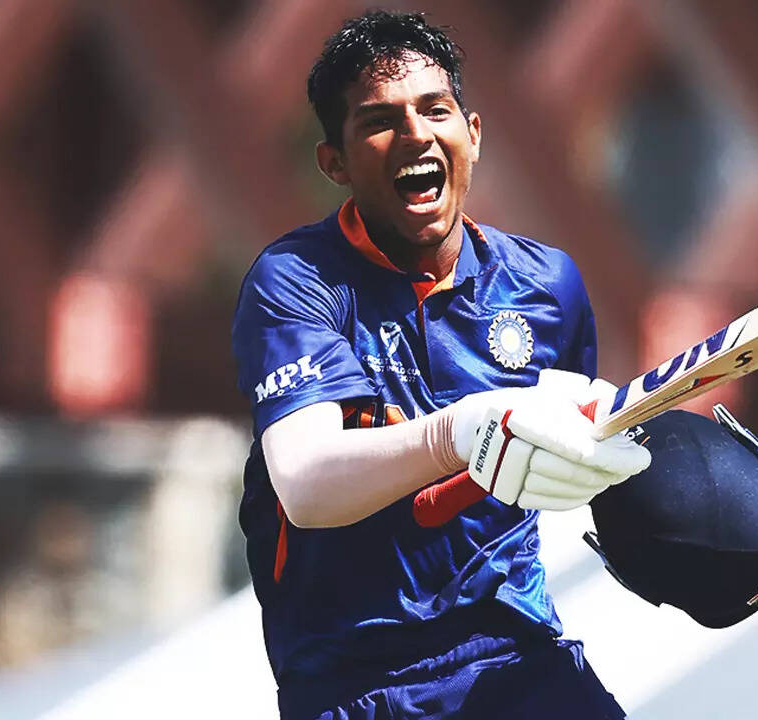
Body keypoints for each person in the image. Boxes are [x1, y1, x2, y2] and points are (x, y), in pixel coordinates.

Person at [230, 10, 649, 719]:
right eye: (379, 121)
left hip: (519, 657)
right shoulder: (295, 281)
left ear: (473, 134)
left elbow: (584, 462)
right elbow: (305, 484)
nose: (416, 134)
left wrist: (694, 513)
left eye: (434, 109)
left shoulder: (548, 286)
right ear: (335, 163)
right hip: (355, 685)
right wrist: (458, 432)